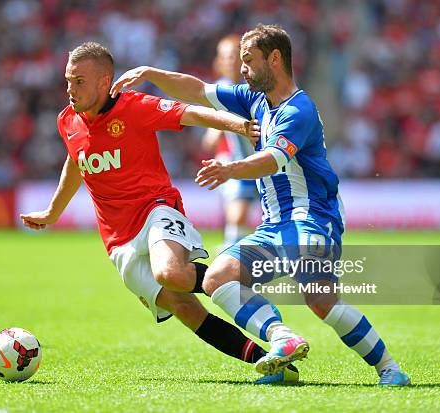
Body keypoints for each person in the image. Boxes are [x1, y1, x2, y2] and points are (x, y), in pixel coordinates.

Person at [111, 24, 411, 386]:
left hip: (312, 219)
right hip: (274, 224)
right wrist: (152, 75)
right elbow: (197, 90)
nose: (242, 69)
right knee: (218, 277)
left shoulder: (299, 110)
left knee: (321, 300)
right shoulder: (253, 98)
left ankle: (390, 369)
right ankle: (282, 340)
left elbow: (273, 159)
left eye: (248, 61)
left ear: (275, 58)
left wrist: (231, 168)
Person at [19, 42, 297, 379]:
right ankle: (271, 362)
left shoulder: (134, 106)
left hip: (155, 209)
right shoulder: (67, 121)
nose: (70, 90)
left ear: (104, 80)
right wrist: (52, 212)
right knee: (184, 308)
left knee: (171, 272)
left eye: (79, 81)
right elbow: (75, 163)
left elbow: (189, 112)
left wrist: (237, 125)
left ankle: (243, 278)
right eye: (67, 80)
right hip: (117, 241)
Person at [202, 34, 258, 248]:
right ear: (219, 61)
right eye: (225, 56)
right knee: (237, 217)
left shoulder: (258, 87)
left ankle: (238, 253)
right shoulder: (217, 91)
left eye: (235, 56)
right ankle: (231, 256)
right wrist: (216, 129)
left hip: (266, 163)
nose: (230, 61)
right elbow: (209, 139)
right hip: (235, 164)